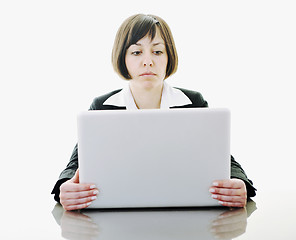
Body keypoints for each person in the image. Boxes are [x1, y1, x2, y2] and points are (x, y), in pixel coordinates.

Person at [51, 14, 256, 211]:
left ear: (169, 57)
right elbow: (76, 162)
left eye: (157, 52)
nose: (148, 61)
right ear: (123, 57)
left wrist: (240, 184)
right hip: (117, 213)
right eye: (137, 52)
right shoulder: (102, 106)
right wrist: (65, 187)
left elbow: (221, 157)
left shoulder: (193, 102)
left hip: (185, 211)